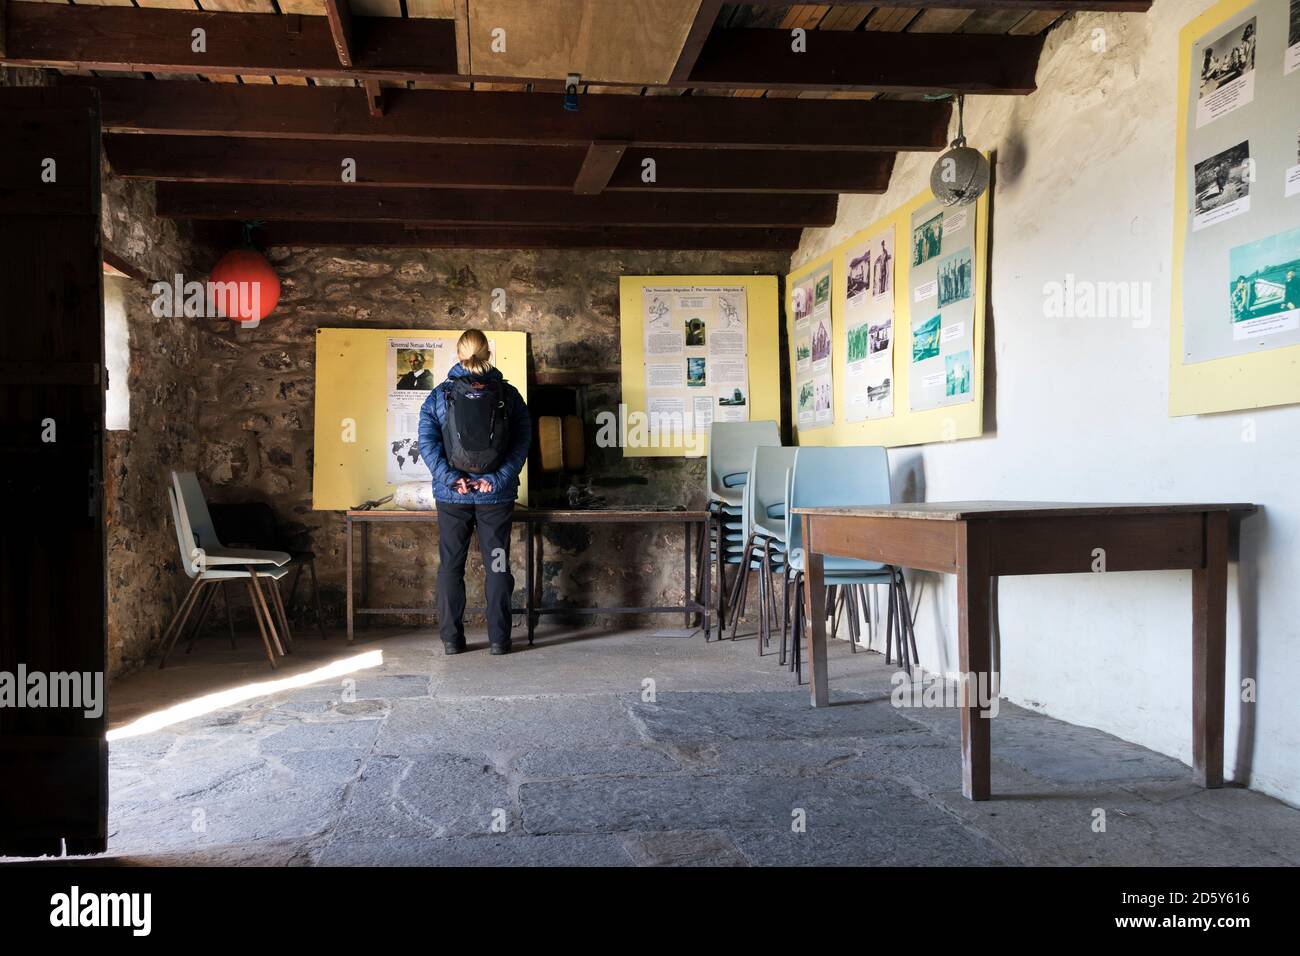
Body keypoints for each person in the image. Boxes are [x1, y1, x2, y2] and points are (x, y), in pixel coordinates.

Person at [417, 330, 531, 655]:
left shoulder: (439, 396)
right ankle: (499, 640)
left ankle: (452, 641)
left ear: (459, 355)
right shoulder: (508, 395)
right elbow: (521, 442)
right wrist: (496, 479)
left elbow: (428, 444)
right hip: (495, 496)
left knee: (451, 567)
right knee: (497, 565)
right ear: (488, 354)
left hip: (453, 497)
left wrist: (451, 478)